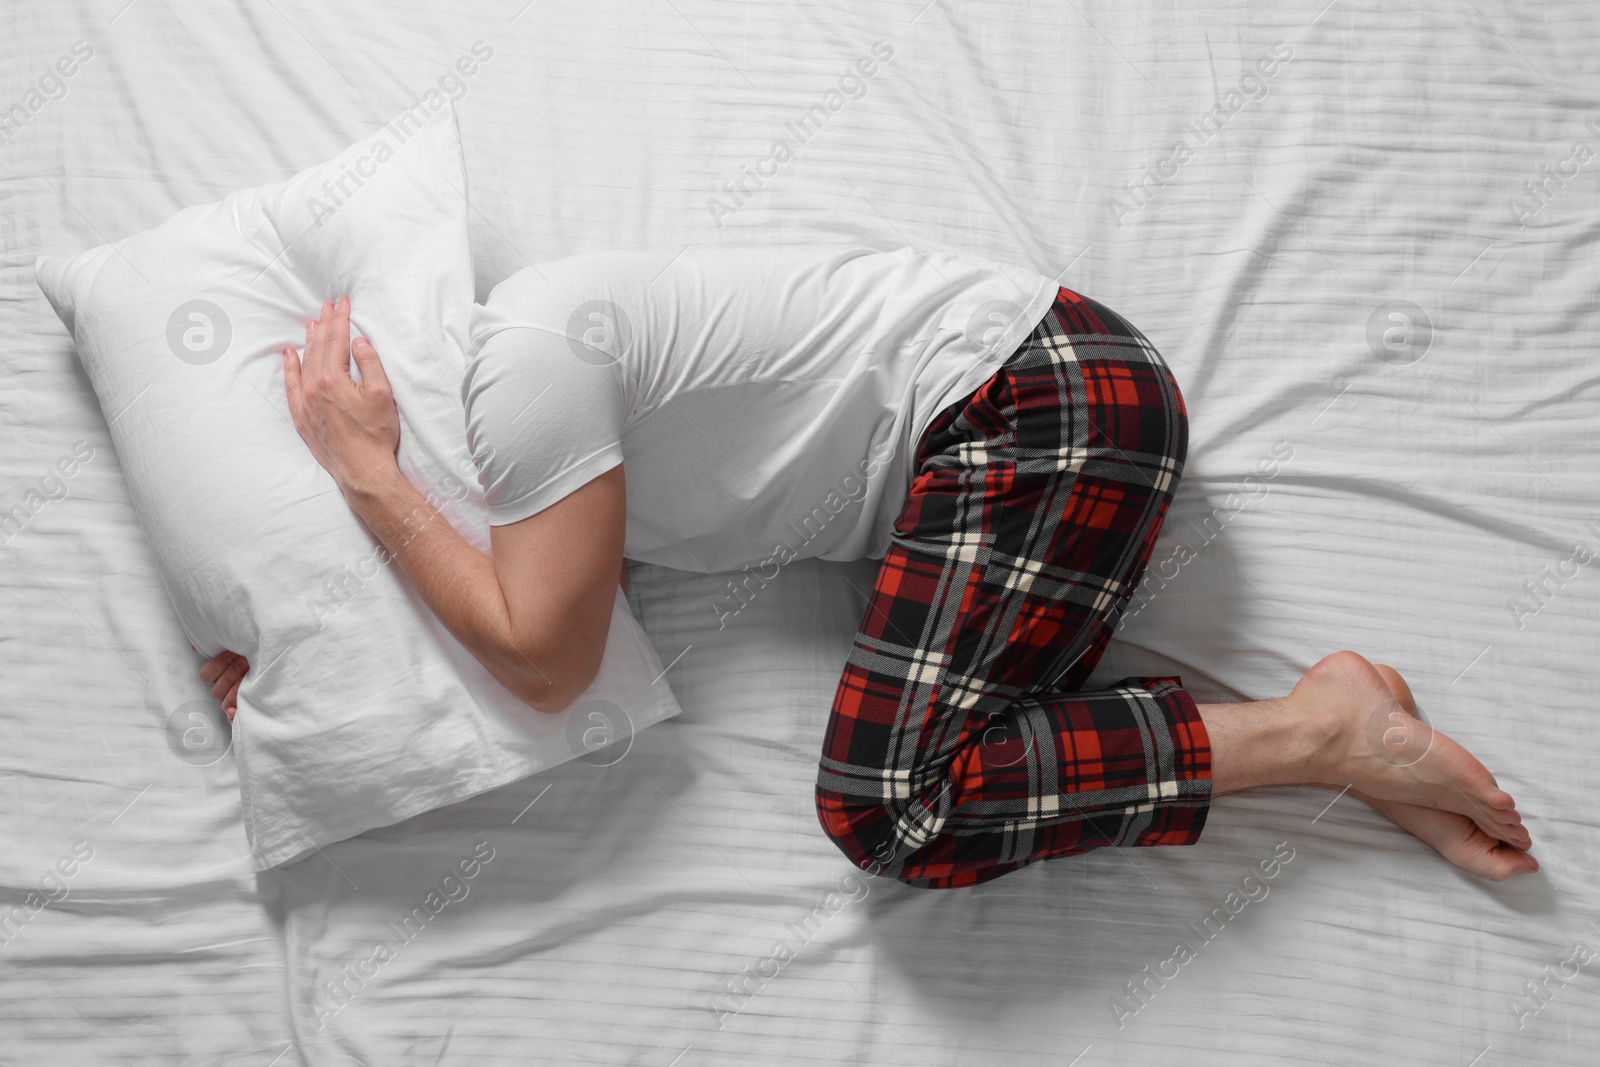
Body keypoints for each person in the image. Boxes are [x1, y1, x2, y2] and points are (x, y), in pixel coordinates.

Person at [199, 248, 1536, 888]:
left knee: (892, 805)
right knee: (952, 781)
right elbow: (534, 633)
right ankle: (1339, 744)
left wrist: (369, 480)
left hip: (1037, 399)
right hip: (1011, 441)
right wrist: (324, 676)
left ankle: (1323, 732)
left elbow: (543, 659)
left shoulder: (530, 354)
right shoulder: (535, 495)